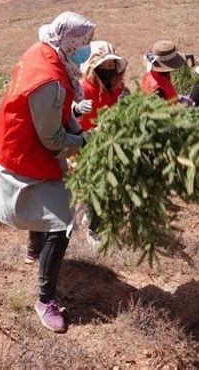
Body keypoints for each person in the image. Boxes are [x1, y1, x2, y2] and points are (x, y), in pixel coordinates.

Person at [0, 11, 95, 334]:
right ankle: (45, 300)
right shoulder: (50, 80)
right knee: (62, 220)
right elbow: (53, 140)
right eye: (81, 46)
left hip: (18, 141)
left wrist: (78, 131)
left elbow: (61, 116)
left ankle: (35, 250)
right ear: (68, 42)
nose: (84, 52)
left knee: (45, 197)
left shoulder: (43, 52)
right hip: (25, 150)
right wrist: (84, 141)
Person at [73, 41, 128, 246]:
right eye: (103, 66)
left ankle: (91, 211)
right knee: (101, 185)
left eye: (111, 65)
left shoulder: (116, 87)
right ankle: (94, 230)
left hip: (111, 143)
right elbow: (71, 118)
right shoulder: (82, 89)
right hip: (86, 145)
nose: (107, 70)